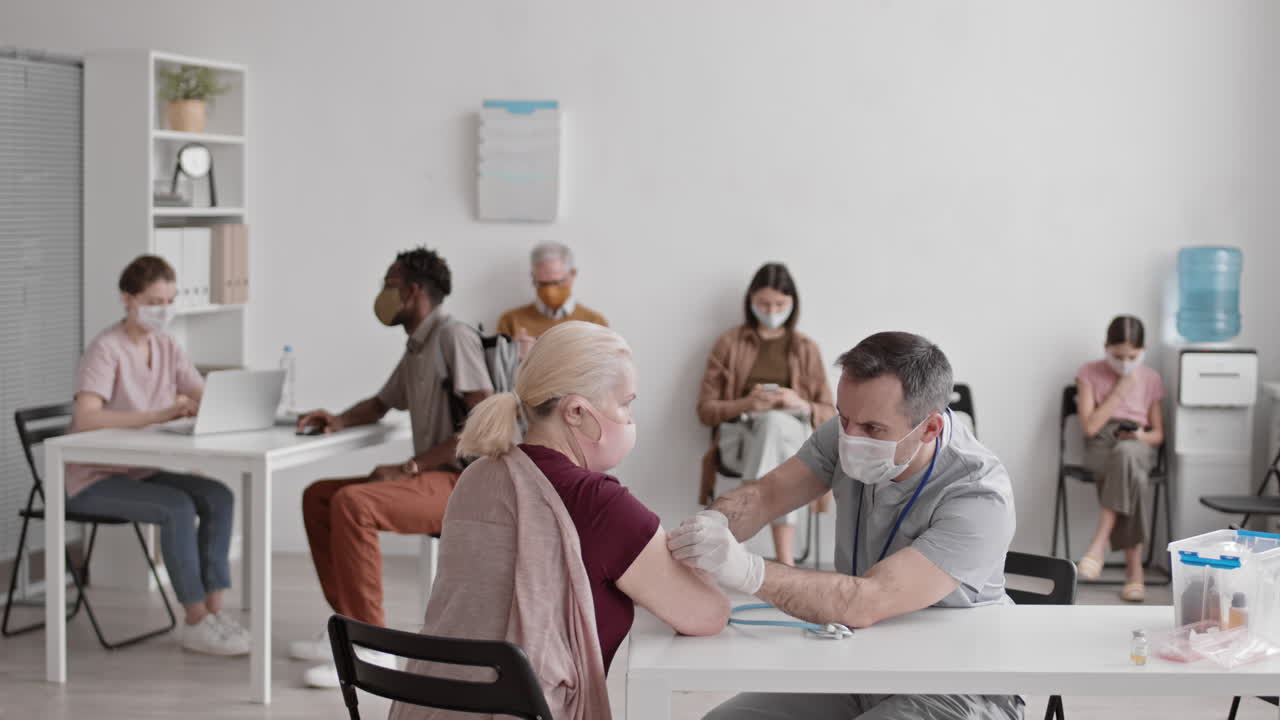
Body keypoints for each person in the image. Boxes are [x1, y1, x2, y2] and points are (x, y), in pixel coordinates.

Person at [671, 331, 1021, 720]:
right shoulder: (848, 432)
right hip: (861, 665)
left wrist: (744, 569)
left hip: (956, 686)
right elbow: (767, 495)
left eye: (872, 429)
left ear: (930, 428)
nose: (850, 439)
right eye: (844, 418)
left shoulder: (978, 495)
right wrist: (712, 523)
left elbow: (867, 599)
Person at [391, 321, 727, 719]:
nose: (630, 418)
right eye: (625, 403)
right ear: (577, 412)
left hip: (428, 708)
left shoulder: (477, 476)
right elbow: (708, 613)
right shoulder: (600, 503)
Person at [290, 247, 494, 688]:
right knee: (319, 497)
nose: (381, 294)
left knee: (353, 504)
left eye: (388, 285)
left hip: (465, 483)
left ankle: (375, 645)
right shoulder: (419, 344)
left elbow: (485, 424)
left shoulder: (451, 337)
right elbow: (384, 402)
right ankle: (346, 628)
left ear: (412, 291)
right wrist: (339, 419)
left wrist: (410, 466)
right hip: (433, 476)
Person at [67, 255, 247, 656]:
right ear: (127, 299)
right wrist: (161, 413)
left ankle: (215, 615)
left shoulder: (167, 345)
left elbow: (203, 393)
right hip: (93, 479)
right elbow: (85, 417)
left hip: (139, 470)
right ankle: (195, 621)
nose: (164, 311)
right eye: (154, 301)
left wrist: (224, 405)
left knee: (219, 496)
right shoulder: (106, 349)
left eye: (170, 300)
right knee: (178, 507)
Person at [697, 262, 834, 566]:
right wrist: (747, 404)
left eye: (779, 304)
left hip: (794, 434)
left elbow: (829, 412)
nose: (771, 310)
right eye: (763, 303)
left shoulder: (805, 348)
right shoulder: (729, 344)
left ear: (792, 304)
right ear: (750, 302)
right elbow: (705, 411)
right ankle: (785, 563)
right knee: (773, 432)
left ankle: (740, 555)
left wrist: (799, 403)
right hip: (741, 439)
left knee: (777, 425)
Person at [1074, 315, 1165, 603]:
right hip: (1101, 443)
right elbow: (1089, 427)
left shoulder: (1151, 378)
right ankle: (1134, 573)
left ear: (1144, 349)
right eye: (1117, 356)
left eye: (1132, 356)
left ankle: (1098, 545)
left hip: (1137, 443)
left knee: (1127, 457)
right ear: (1105, 347)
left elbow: (1158, 435)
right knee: (1128, 470)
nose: (1125, 362)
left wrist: (1138, 436)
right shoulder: (1088, 373)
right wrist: (1119, 393)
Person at [495, 241, 607, 357]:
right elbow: (497, 372)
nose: (549, 291)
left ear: (572, 274)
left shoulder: (595, 322)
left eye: (556, 282)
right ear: (533, 277)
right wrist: (514, 357)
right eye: (542, 284)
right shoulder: (510, 321)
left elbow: (607, 370)